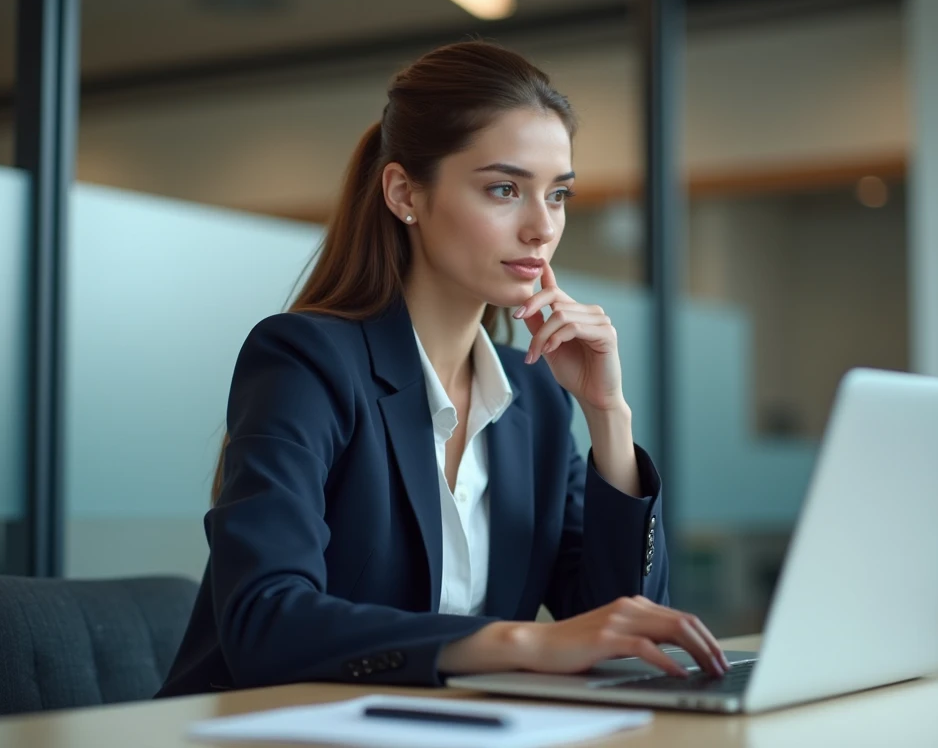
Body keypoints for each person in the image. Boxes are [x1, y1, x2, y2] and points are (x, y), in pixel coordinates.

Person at [156, 41, 726, 697]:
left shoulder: (534, 392)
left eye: (559, 194)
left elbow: (624, 627)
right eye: (505, 189)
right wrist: (522, 642)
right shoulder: (307, 360)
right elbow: (265, 621)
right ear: (404, 193)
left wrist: (607, 414)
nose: (542, 227)